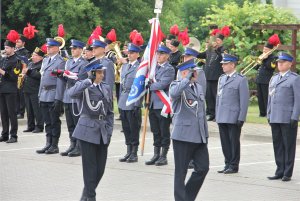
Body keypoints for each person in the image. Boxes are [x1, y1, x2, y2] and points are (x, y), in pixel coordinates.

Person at [68, 59, 114, 201]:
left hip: (102, 131)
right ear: (93, 73)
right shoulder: (84, 86)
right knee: (90, 169)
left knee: (100, 169)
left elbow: (110, 112)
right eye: (99, 72)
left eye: (102, 72)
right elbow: (71, 93)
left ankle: (85, 195)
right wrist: (88, 81)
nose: (102, 75)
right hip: (87, 130)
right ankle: (91, 197)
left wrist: (110, 130)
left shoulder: (105, 87)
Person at [170, 59, 209, 201]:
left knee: (203, 168)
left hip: (199, 135)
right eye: (193, 71)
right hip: (183, 136)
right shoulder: (176, 85)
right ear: (185, 72)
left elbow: (201, 112)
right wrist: (185, 79)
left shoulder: (198, 87)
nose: (196, 73)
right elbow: (174, 93)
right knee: (181, 172)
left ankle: (187, 197)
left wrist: (205, 133)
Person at [267, 52, 300, 182]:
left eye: (283, 62)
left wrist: (295, 116)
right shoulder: (274, 78)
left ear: (290, 63)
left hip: (287, 117)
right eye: (279, 62)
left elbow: (298, 100)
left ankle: (287, 172)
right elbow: (270, 98)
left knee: (288, 145)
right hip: (275, 116)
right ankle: (279, 170)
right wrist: (269, 113)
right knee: (278, 145)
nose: (279, 64)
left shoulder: (295, 78)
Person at [215, 54, 249, 174]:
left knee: (233, 142)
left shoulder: (241, 79)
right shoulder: (222, 78)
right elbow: (218, 98)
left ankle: (234, 165)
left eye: (225, 64)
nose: (223, 66)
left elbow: (244, 101)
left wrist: (241, 117)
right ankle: (227, 163)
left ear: (232, 65)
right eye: (223, 64)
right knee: (224, 142)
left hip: (233, 117)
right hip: (222, 115)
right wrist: (217, 114)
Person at [145, 45, 175, 166]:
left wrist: (150, 86)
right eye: (158, 54)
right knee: (155, 131)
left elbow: (162, 84)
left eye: (162, 54)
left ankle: (163, 156)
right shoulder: (153, 68)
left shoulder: (169, 69)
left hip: (163, 105)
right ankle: (156, 154)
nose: (159, 56)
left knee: (164, 131)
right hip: (153, 103)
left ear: (167, 56)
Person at [36, 38, 66, 154]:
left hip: (53, 94)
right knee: (47, 122)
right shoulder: (45, 60)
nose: (47, 49)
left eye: (50, 47)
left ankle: (54, 145)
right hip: (44, 94)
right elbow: (42, 79)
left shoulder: (61, 61)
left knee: (54, 121)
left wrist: (58, 98)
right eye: (47, 47)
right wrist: (39, 94)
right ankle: (48, 143)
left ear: (57, 48)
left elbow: (60, 81)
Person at [59, 39, 88, 157]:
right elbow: (67, 79)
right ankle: (72, 144)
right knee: (70, 123)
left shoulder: (84, 63)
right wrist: (61, 75)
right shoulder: (69, 62)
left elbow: (81, 79)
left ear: (81, 50)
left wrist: (70, 75)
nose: (72, 50)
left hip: (77, 96)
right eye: (71, 48)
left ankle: (79, 147)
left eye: (74, 48)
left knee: (77, 123)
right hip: (68, 95)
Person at [198, 28, 229, 121]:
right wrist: (193, 50)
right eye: (215, 40)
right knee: (209, 96)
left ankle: (218, 113)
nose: (216, 42)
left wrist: (216, 50)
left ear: (222, 41)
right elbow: (200, 55)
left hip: (217, 77)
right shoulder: (209, 50)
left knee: (217, 96)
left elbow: (223, 58)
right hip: (208, 76)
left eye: (218, 40)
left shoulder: (224, 49)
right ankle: (211, 113)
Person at [118, 42, 142, 163]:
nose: (130, 55)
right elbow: (122, 85)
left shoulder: (140, 67)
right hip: (123, 100)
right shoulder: (126, 66)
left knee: (133, 128)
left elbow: (140, 87)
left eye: (132, 53)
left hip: (133, 100)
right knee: (126, 127)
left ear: (137, 54)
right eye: (129, 53)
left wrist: (137, 104)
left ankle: (134, 153)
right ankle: (128, 151)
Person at [0, 35, 21, 143]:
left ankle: (13, 135)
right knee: (3, 113)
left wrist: (1, 71)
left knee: (12, 113)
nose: (5, 49)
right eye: (5, 47)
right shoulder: (3, 59)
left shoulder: (17, 61)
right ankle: (4, 134)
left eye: (7, 47)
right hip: (2, 89)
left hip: (11, 90)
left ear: (13, 48)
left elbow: (13, 76)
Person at [255, 34, 280, 117]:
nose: (264, 50)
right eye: (264, 49)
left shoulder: (273, 57)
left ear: (270, 50)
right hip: (259, 79)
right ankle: (262, 113)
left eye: (266, 49)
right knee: (260, 97)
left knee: (266, 97)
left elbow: (271, 67)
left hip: (266, 80)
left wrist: (265, 59)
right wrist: (260, 60)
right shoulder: (262, 56)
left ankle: (268, 112)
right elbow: (256, 67)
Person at [22, 46, 46, 133]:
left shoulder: (42, 64)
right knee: (29, 110)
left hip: (35, 90)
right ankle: (30, 126)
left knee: (37, 110)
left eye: (35, 55)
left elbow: (39, 76)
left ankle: (39, 126)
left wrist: (28, 71)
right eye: (32, 55)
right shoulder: (31, 63)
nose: (32, 56)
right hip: (27, 89)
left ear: (40, 57)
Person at [15, 35, 30, 119]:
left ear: (23, 43)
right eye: (16, 41)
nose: (17, 43)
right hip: (14, 75)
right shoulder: (15, 51)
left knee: (21, 95)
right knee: (15, 94)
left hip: (21, 75)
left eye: (19, 42)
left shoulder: (26, 52)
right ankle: (16, 111)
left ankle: (21, 112)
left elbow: (25, 63)